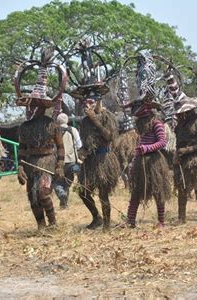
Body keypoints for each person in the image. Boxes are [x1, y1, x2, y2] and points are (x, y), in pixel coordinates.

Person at [69, 39, 119, 230]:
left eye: (91, 102)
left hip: (104, 159)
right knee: (83, 191)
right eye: (85, 102)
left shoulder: (107, 116)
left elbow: (109, 137)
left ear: (98, 101)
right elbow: (87, 142)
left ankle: (106, 224)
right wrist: (82, 152)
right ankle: (96, 217)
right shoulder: (83, 122)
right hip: (90, 162)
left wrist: (96, 120)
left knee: (104, 193)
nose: (87, 105)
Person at [119, 52, 172, 228]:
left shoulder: (157, 123)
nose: (137, 115)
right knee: (136, 192)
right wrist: (136, 156)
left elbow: (162, 142)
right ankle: (131, 221)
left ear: (148, 110)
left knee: (158, 190)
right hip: (141, 162)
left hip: (155, 162)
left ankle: (161, 221)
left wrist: (147, 149)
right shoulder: (140, 126)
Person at [16, 47, 65, 229]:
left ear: (43, 107)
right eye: (31, 105)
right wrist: (20, 165)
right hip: (30, 163)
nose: (31, 108)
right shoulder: (25, 127)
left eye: (35, 105)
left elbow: (60, 146)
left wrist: (59, 164)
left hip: (47, 160)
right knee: (33, 196)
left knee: (43, 193)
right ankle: (41, 226)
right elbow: (22, 147)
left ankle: (53, 224)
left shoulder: (52, 125)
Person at [53, 113, 82, 209]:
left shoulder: (54, 131)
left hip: (59, 162)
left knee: (57, 182)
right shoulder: (73, 130)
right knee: (67, 182)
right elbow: (79, 145)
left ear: (57, 121)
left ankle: (61, 195)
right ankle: (64, 204)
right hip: (72, 161)